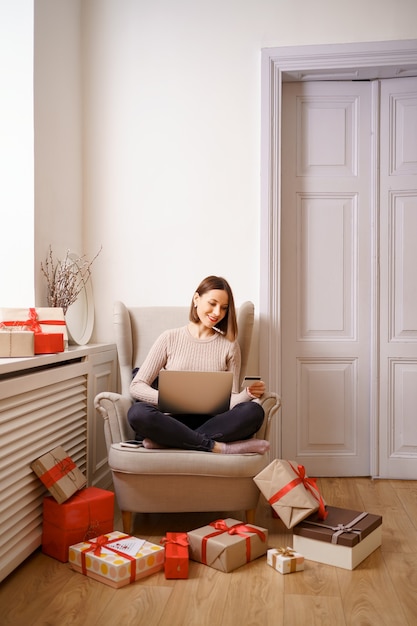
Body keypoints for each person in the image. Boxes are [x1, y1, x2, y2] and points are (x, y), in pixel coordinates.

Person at [127, 275, 270, 454]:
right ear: (196, 299)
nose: (217, 312)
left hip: (212, 422)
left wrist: (247, 394)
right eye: (212, 303)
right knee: (137, 413)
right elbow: (136, 386)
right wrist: (170, 401)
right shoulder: (169, 338)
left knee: (253, 411)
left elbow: (230, 400)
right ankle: (214, 446)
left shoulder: (230, 346)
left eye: (224, 308)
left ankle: (170, 442)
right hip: (171, 421)